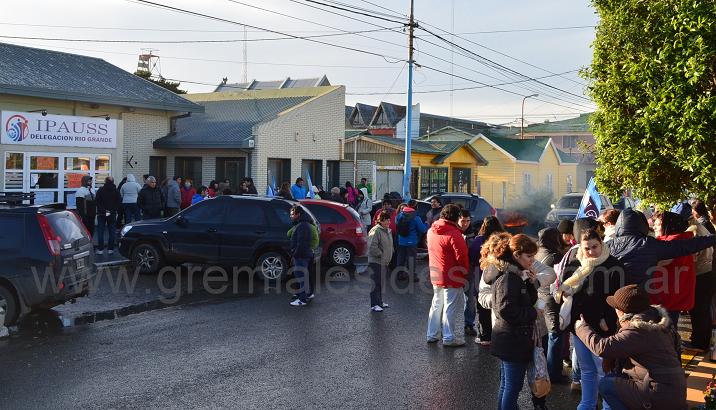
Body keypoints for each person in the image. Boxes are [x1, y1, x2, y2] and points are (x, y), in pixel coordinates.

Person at [575, 284, 686, 410]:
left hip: (659, 395)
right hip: (673, 390)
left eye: (615, 308)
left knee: (606, 385)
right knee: (615, 378)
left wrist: (581, 328)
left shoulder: (638, 330)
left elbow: (603, 348)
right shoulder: (658, 321)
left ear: (621, 311)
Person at [554, 228, 624, 410]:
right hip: (580, 324)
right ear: (581, 248)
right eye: (587, 248)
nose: (591, 251)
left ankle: (608, 405)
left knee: (603, 369)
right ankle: (587, 404)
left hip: (603, 326)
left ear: (601, 243)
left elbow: (619, 298)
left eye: (595, 246)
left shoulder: (613, 265)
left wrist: (607, 320)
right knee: (586, 369)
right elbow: (566, 288)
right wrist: (564, 294)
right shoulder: (577, 262)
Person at [480, 233, 538, 410]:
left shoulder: (516, 274)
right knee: (512, 387)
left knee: (507, 385)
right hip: (512, 339)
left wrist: (530, 283)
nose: (532, 260)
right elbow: (505, 309)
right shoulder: (508, 277)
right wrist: (532, 313)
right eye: (529, 256)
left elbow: (525, 299)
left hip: (510, 338)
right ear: (516, 255)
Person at [606, 208, 715, 285]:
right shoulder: (649, 244)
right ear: (642, 225)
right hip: (642, 298)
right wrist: (712, 239)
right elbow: (684, 246)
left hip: (615, 297)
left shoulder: (608, 246)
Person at [673, 202, 715, 352]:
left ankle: (699, 343)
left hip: (700, 274)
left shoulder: (692, 230)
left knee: (699, 310)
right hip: (707, 272)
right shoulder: (697, 226)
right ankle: (702, 340)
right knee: (702, 309)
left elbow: (692, 256)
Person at [426, 204, 469, 347]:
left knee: (436, 304)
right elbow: (462, 257)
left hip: (436, 273)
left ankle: (432, 334)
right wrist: (465, 274)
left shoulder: (432, 230)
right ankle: (449, 338)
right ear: (456, 217)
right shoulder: (454, 234)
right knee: (450, 306)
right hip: (452, 275)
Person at [650, 211, 695, 330]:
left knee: (666, 332)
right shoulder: (681, 241)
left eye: (658, 224)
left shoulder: (671, 243)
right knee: (670, 330)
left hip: (668, 297)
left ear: (668, 227)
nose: (654, 226)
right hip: (673, 295)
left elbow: (656, 263)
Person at [535, 228, 569, 383]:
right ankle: (553, 373)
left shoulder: (537, 251)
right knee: (555, 333)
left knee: (546, 333)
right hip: (551, 297)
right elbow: (561, 278)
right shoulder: (555, 256)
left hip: (539, 295)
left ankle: (546, 368)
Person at [472, 216, 506, 345]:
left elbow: (473, 256)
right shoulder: (503, 239)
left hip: (480, 273)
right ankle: (498, 334)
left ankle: (485, 336)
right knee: (499, 303)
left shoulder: (479, 240)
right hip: (499, 273)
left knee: (482, 305)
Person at [368, 210, 394, 312]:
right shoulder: (376, 231)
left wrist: (391, 251)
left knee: (381, 283)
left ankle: (379, 302)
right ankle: (374, 304)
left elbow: (389, 244)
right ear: (380, 221)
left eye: (388, 220)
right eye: (385, 220)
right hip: (376, 262)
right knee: (375, 283)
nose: (388, 222)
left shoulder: (387, 230)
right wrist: (381, 255)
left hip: (384, 262)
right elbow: (372, 247)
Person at [396, 200, 427, 281]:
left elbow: (396, 223)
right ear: (416, 207)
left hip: (401, 241)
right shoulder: (416, 217)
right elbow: (423, 229)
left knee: (401, 258)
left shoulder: (400, 215)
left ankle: (399, 275)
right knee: (411, 259)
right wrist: (427, 224)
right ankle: (411, 276)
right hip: (411, 242)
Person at [289, 205, 313, 306]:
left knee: (301, 277)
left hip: (301, 255)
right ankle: (305, 295)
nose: (291, 216)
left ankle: (302, 299)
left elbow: (301, 243)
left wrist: (295, 254)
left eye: (292, 214)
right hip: (303, 254)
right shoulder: (303, 224)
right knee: (303, 276)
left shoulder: (302, 226)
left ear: (298, 214)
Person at [95, 176, 121, 255]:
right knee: (112, 231)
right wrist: (112, 210)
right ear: (113, 182)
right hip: (112, 214)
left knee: (100, 231)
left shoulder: (100, 190)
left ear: (105, 181)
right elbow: (118, 202)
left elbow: (97, 202)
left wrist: (104, 210)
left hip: (101, 213)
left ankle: (100, 249)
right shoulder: (116, 191)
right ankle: (111, 249)